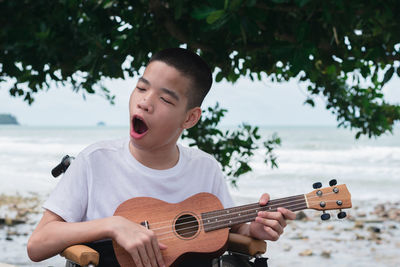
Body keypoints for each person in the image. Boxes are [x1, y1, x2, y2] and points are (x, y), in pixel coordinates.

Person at [27, 48, 296, 267]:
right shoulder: (95, 161)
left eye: (166, 100)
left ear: (190, 117)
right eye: (142, 88)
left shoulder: (205, 168)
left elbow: (235, 229)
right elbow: (38, 245)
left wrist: (256, 230)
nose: (145, 102)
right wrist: (113, 225)